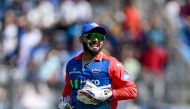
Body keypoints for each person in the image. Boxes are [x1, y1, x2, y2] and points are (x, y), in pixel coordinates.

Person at [58, 22, 137, 109]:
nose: (96, 40)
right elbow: (69, 87)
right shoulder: (71, 64)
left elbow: (132, 91)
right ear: (81, 39)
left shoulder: (111, 63)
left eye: (100, 37)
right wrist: (64, 102)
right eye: (91, 36)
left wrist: (105, 94)